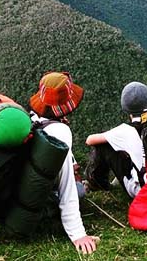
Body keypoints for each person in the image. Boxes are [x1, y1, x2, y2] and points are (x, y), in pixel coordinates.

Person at [29, 71, 100, 255]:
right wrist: (78, 234)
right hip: (40, 197)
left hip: (21, 192)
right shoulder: (60, 133)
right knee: (79, 191)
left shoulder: (33, 119)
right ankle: (49, 217)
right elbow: (66, 184)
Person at [84, 81, 147, 199]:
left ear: (125, 106)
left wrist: (111, 138)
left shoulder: (125, 130)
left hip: (144, 192)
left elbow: (90, 140)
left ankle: (97, 184)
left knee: (103, 145)